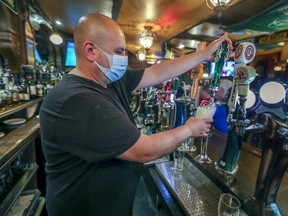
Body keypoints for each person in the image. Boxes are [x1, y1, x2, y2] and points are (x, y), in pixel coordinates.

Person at [39, 13, 233, 216]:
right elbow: (145, 150)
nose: (124, 58)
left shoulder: (108, 80)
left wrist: (204, 54)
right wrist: (189, 129)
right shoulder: (77, 99)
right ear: (90, 51)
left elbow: (158, 72)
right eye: (119, 51)